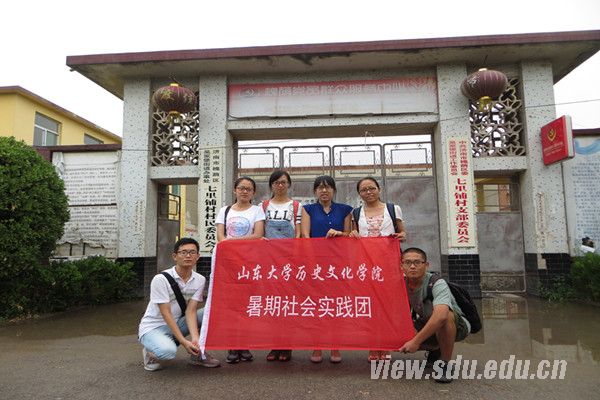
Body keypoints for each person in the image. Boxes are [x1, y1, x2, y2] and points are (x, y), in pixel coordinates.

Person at [138, 237, 221, 371]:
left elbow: (190, 311)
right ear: (175, 256)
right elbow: (166, 313)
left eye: (192, 252)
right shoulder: (160, 279)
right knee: (167, 352)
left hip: (178, 323)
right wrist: (183, 342)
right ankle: (150, 351)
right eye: (183, 252)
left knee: (210, 312)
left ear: (198, 256)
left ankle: (197, 354)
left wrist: (195, 339)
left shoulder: (199, 280)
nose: (188, 256)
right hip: (153, 327)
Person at [349, 176, 405, 362]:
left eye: (371, 188)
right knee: (370, 306)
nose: (368, 192)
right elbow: (353, 236)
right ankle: (373, 345)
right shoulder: (356, 213)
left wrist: (401, 235)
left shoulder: (393, 209)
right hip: (366, 265)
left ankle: (386, 345)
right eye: (364, 190)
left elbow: (403, 232)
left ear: (379, 189)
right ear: (359, 194)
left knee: (388, 305)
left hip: (389, 265)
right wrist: (353, 234)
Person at [398, 247, 470, 383]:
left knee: (445, 317)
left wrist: (415, 341)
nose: (412, 266)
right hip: (425, 321)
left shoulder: (436, 283)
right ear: (401, 266)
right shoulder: (401, 283)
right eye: (407, 262)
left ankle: (445, 364)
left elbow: (441, 316)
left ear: (426, 265)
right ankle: (436, 350)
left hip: (457, 326)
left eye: (417, 262)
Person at [301, 175, 353, 364]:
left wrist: (339, 233)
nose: (324, 191)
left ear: (334, 190)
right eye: (320, 188)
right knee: (316, 304)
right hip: (315, 265)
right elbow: (305, 235)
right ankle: (317, 345)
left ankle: (335, 345)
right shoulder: (308, 209)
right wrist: (310, 261)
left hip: (338, 265)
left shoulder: (345, 210)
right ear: (315, 191)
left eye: (328, 187)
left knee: (335, 304)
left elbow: (349, 235)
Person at [216, 176, 265, 364]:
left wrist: (232, 241)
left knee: (246, 305)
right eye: (241, 188)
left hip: (249, 264)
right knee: (231, 306)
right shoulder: (224, 211)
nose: (244, 191)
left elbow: (258, 235)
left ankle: (244, 345)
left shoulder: (257, 211)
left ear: (253, 192)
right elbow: (220, 237)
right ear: (235, 190)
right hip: (228, 264)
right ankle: (232, 345)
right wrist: (232, 243)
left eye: (248, 189)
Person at [263, 170, 302, 362]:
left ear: (289, 185)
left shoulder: (296, 206)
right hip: (270, 261)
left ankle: (286, 346)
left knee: (287, 303)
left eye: (284, 182)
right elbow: (260, 232)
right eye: (276, 182)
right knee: (273, 304)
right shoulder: (263, 206)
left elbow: (299, 234)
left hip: (289, 261)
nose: (280, 185)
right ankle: (274, 344)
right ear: (271, 185)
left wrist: (294, 258)